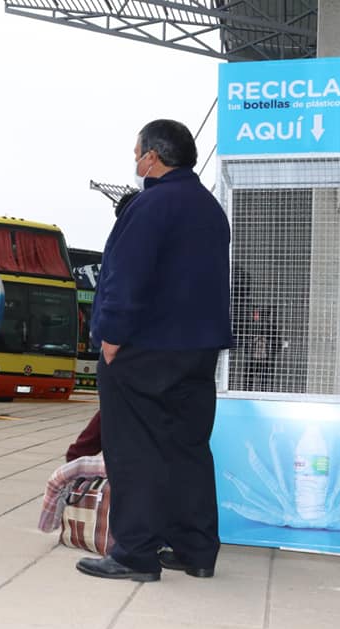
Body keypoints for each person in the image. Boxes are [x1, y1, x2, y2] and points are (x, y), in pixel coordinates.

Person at [76, 119, 232, 582]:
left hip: (145, 348)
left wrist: (111, 337)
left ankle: (135, 553)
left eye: (137, 153)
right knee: (188, 447)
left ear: (153, 157)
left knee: (134, 448)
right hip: (198, 349)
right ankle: (195, 549)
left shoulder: (150, 205)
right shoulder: (210, 208)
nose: (136, 160)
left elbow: (127, 276)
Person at [64, 188, 140, 463]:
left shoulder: (123, 246)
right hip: (127, 350)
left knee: (117, 411)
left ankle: (79, 458)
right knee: (118, 410)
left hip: (126, 350)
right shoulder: (130, 248)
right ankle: (78, 459)